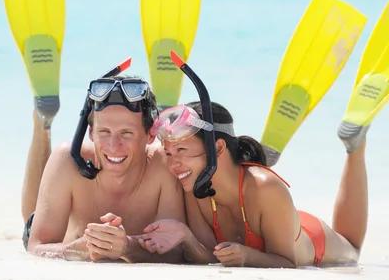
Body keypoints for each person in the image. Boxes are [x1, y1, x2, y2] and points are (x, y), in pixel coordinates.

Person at [135, 75, 369, 268]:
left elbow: (289, 262)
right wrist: (186, 236)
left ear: (218, 147)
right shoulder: (193, 187)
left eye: (182, 150)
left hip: (310, 239)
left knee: (352, 250)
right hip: (275, 217)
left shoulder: (266, 187)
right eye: (168, 154)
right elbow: (208, 256)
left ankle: (354, 147)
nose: (174, 165)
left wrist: (248, 257)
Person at [20, 60, 186, 263]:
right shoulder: (68, 159)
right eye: (104, 132)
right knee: (31, 217)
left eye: (127, 133)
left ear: (150, 135)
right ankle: (42, 122)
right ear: (90, 132)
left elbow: (178, 251)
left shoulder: (164, 165)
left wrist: (127, 246)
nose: (113, 146)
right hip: (64, 238)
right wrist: (79, 249)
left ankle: (164, 119)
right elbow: (35, 247)